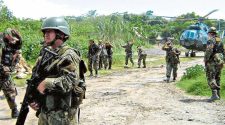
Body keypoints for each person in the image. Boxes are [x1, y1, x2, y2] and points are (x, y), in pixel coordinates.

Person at [28, 17, 84, 125]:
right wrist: (33, 99)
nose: (46, 34)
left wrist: (47, 83)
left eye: (50, 31)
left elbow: (71, 81)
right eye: (45, 32)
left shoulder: (69, 55)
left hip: (63, 115)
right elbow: (36, 79)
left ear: (60, 34)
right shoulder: (46, 55)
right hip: (45, 111)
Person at [0, 28, 22, 118]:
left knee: (10, 91)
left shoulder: (16, 44)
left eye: (15, 40)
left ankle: (14, 110)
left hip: (6, 73)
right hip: (2, 69)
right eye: (12, 39)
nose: (14, 42)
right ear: (7, 35)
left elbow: (16, 55)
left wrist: (11, 67)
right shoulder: (1, 40)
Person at [204, 27, 224, 101]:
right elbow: (223, 50)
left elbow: (209, 50)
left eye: (208, 33)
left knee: (210, 77)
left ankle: (214, 95)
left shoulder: (210, 40)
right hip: (220, 60)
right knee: (217, 77)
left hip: (212, 60)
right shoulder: (220, 40)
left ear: (210, 33)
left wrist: (205, 59)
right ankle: (218, 95)